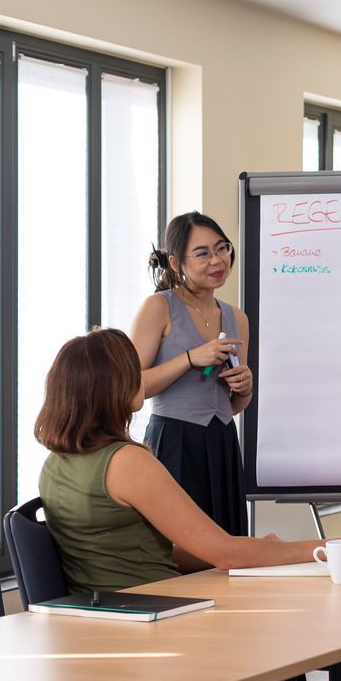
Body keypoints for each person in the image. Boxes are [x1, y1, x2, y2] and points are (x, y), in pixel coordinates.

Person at [35, 329, 341, 594]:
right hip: (154, 612)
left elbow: (148, 551)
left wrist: (260, 549)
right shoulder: (126, 463)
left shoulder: (54, 466)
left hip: (105, 614)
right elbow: (225, 554)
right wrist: (328, 547)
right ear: (113, 388)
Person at [130, 212, 252, 536]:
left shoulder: (237, 318)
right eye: (202, 253)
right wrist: (189, 358)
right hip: (173, 442)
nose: (217, 260)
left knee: (229, 550)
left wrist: (245, 388)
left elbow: (232, 404)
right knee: (181, 551)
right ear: (175, 263)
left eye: (222, 248)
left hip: (223, 444)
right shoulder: (158, 307)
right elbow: (129, 389)